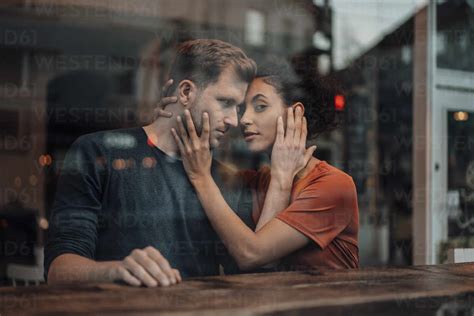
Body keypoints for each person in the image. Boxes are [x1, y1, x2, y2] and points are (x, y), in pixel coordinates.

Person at [45, 39, 257, 287]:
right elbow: (58, 271)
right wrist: (117, 270)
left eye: (238, 107)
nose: (234, 120)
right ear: (186, 92)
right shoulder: (97, 153)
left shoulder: (227, 179)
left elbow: (249, 270)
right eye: (225, 102)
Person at [169, 58, 359, 271]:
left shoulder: (333, 186)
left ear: (294, 113)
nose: (244, 119)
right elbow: (256, 271)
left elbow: (252, 256)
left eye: (260, 106)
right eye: (243, 109)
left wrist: (201, 178)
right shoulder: (253, 182)